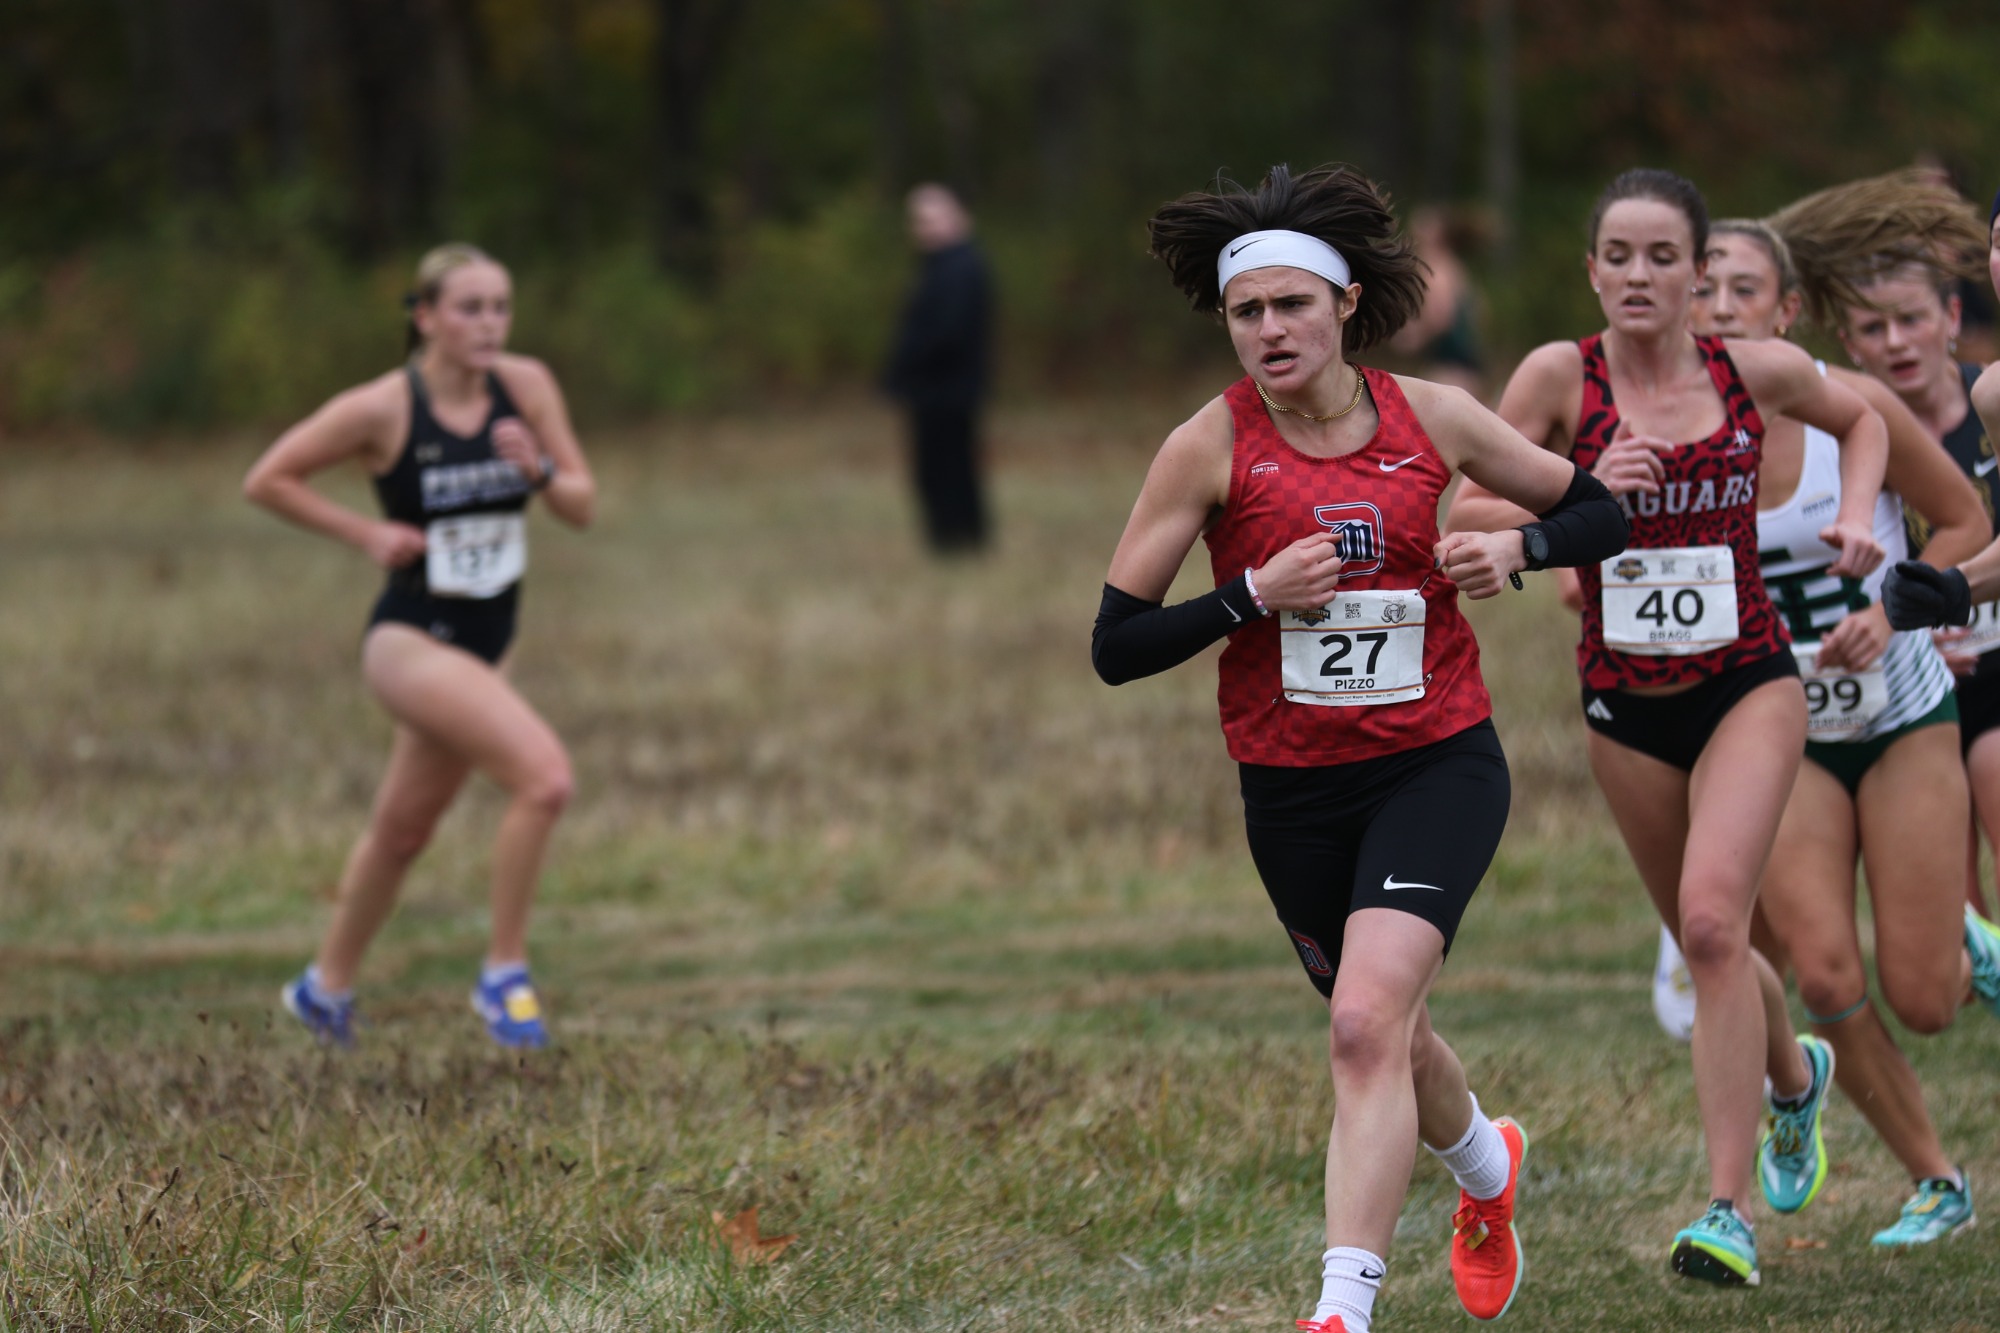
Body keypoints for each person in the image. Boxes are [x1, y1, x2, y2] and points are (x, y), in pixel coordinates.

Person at [1095, 163, 1629, 1332]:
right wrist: (1247, 595)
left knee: (1357, 1026)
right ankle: (1486, 1170)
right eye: (1246, 312)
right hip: (1289, 789)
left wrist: (1520, 551)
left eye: (1291, 304)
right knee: (1391, 1030)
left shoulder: (1429, 415)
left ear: (1342, 304)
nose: (1269, 330)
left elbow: (1600, 509)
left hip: (1434, 760)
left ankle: (1341, 1307)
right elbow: (1116, 643)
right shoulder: (1205, 447)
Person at [1445, 168, 1890, 1288]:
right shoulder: (1559, 376)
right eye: (1616, 255)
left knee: (1706, 927)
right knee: (1720, 948)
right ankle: (1794, 1085)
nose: (1638, 275)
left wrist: (1848, 513)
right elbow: (1464, 508)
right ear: (1588, 268)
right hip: (1621, 701)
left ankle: (1723, 1208)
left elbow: (1862, 419)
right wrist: (1581, 485)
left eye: (1660, 257)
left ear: (1699, 274)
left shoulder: (1751, 369)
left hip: (1747, 680)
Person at [1691, 214, 1989, 1245]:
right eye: (1701, 290)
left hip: (1902, 717)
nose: (1717, 308)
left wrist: (1887, 608)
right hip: (1777, 731)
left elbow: (1963, 523)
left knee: (1924, 1001)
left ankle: (1958, 937)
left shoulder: (1845, 407)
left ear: (1785, 310)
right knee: (1819, 972)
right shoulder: (1664, 423)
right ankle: (1935, 1178)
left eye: (1740, 290)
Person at [243, 243, 595, 1049]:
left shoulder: (527, 386)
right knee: (545, 780)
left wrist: (538, 468)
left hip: (488, 642)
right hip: (410, 640)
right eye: (469, 308)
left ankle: (322, 990)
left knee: (403, 829)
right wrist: (364, 531)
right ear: (425, 316)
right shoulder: (383, 408)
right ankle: (504, 972)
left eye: (500, 306)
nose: (489, 324)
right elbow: (268, 477)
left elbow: (582, 504)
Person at [1768, 170, 2000, 924]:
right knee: (1948, 926)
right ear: (1846, 342)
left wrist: (1953, 599)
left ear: (1951, 318)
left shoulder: (1987, 399)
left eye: (1910, 319)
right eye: (1873, 328)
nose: (1896, 342)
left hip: (1986, 676)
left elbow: (1969, 533)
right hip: (1892, 686)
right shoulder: (1851, 431)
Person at [883, 183, 993, 554]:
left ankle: (957, 540)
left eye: (932, 218)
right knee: (940, 467)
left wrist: (907, 367)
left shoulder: (960, 268)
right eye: (917, 220)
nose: (923, 228)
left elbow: (947, 332)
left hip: (948, 389)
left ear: (959, 218)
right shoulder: (941, 267)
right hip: (937, 388)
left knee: (948, 468)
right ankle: (953, 540)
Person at [1386, 206, 1487, 398]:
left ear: (1436, 234)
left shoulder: (1434, 269)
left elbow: (1441, 317)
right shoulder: (1455, 265)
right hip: (1466, 364)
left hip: (1450, 365)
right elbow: (1479, 311)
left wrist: (1413, 338)